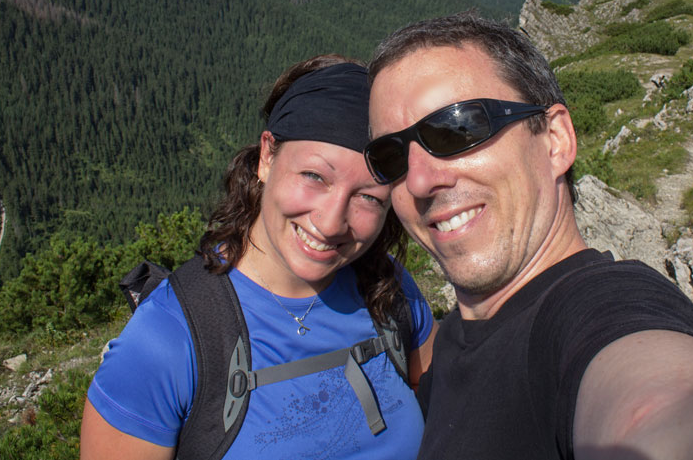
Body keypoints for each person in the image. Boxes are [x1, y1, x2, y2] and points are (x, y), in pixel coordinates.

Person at [364, 11, 693, 460]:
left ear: (556, 141)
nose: (421, 180)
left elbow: (654, 407)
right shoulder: (456, 335)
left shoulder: (592, 310)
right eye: (390, 156)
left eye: (458, 128)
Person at [80, 55, 437, 460]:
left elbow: (449, 411)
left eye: (369, 197)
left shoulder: (387, 289)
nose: (333, 221)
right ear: (267, 156)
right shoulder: (167, 340)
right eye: (315, 176)